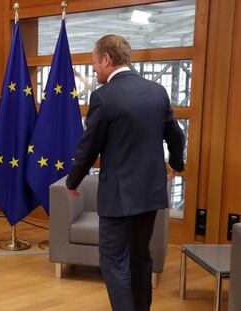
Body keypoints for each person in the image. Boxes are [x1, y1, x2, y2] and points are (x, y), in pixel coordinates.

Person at [66, 35, 184, 311]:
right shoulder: (157, 91)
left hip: (118, 198)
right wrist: (176, 165)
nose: (94, 69)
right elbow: (176, 136)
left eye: (94, 63)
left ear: (107, 59)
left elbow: (88, 147)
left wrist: (73, 181)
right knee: (139, 258)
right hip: (150, 194)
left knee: (113, 260)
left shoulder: (104, 97)